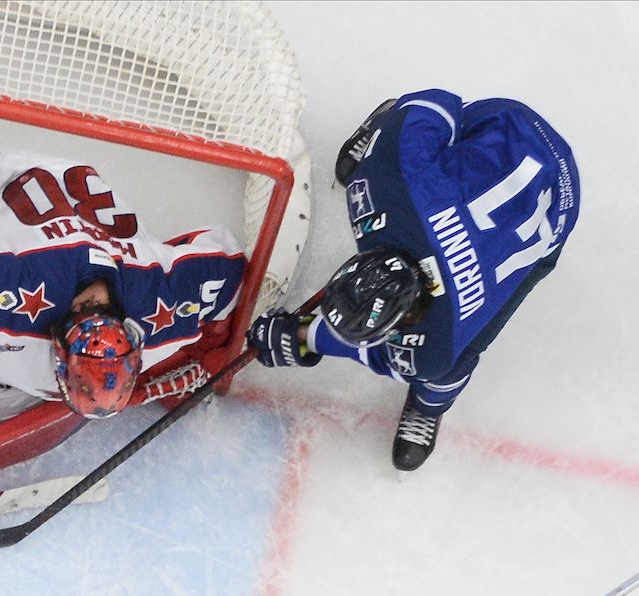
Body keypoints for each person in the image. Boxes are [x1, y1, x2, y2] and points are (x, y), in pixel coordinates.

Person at [248, 89, 580, 471]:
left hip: (552, 199)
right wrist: (304, 336)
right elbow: (434, 104)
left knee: (460, 356)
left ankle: (428, 407)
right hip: (520, 150)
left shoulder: (440, 341)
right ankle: (382, 135)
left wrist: (307, 338)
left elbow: (389, 357)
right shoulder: (385, 185)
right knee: (391, 148)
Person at [0, 151, 247, 423]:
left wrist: (255, 325)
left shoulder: (166, 302)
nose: (91, 301)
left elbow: (231, 263)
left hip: (78, 220)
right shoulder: (9, 289)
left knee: (3, 400)